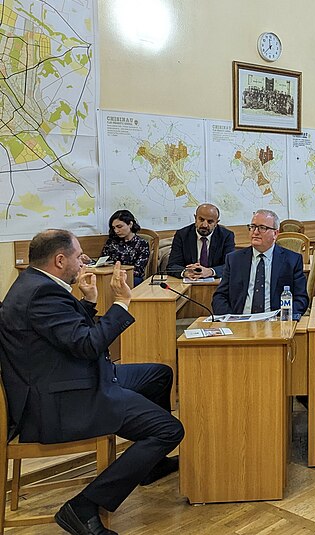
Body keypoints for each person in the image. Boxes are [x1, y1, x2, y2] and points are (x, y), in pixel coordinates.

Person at [0, 230, 184, 535]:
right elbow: (87, 345)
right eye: (78, 255)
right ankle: (82, 506)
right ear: (60, 260)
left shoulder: (33, 284)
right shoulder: (42, 294)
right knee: (169, 429)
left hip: (67, 377)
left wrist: (89, 302)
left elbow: (64, 336)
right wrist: (121, 303)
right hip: (63, 401)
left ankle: (149, 465)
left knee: (159, 374)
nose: (83, 260)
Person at [212, 209, 309, 318]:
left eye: (262, 228)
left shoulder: (292, 260)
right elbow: (220, 297)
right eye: (252, 227)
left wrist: (283, 318)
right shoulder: (234, 259)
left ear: (275, 234)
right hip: (240, 322)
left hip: (275, 323)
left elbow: (301, 299)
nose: (255, 232)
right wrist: (231, 319)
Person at [167, 203, 235, 280]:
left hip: (215, 283)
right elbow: (172, 265)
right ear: (195, 218)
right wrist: (186, 272)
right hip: (189, 282)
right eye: (201, 220)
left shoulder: (226, 236)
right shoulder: (182, 235)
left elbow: (230, 265)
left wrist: (210, 271)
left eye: (210, 222)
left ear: (216, 223)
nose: (205, 225)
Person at [100, 209, 150, 286]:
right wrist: (90, 261)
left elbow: (139, 270)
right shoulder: (111, 242)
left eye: (119, 227)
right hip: (111, 276)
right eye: (114, 228)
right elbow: (103, 262)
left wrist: (119, 273)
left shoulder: (142, 243)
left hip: (131, 277)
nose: (116, 231)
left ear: (130, 224)